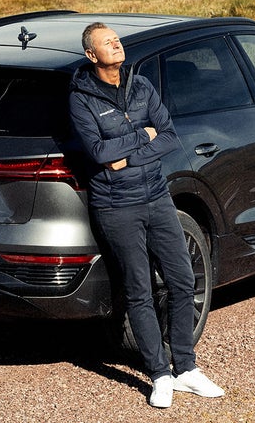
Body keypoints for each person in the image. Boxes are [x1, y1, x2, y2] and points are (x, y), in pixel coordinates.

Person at [69, 21, 225, 409]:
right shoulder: (81, 97)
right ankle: (159, 374)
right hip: (116, 205)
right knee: (139, 289)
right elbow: (99, 153)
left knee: (182, 277)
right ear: (92, 55)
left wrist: (128, 151)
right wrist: (144, 136)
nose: (117, 45)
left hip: (156, 195)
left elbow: (170, 135)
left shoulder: (141, 85)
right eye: (108, 43)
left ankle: (186, 368)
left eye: (116, 39)